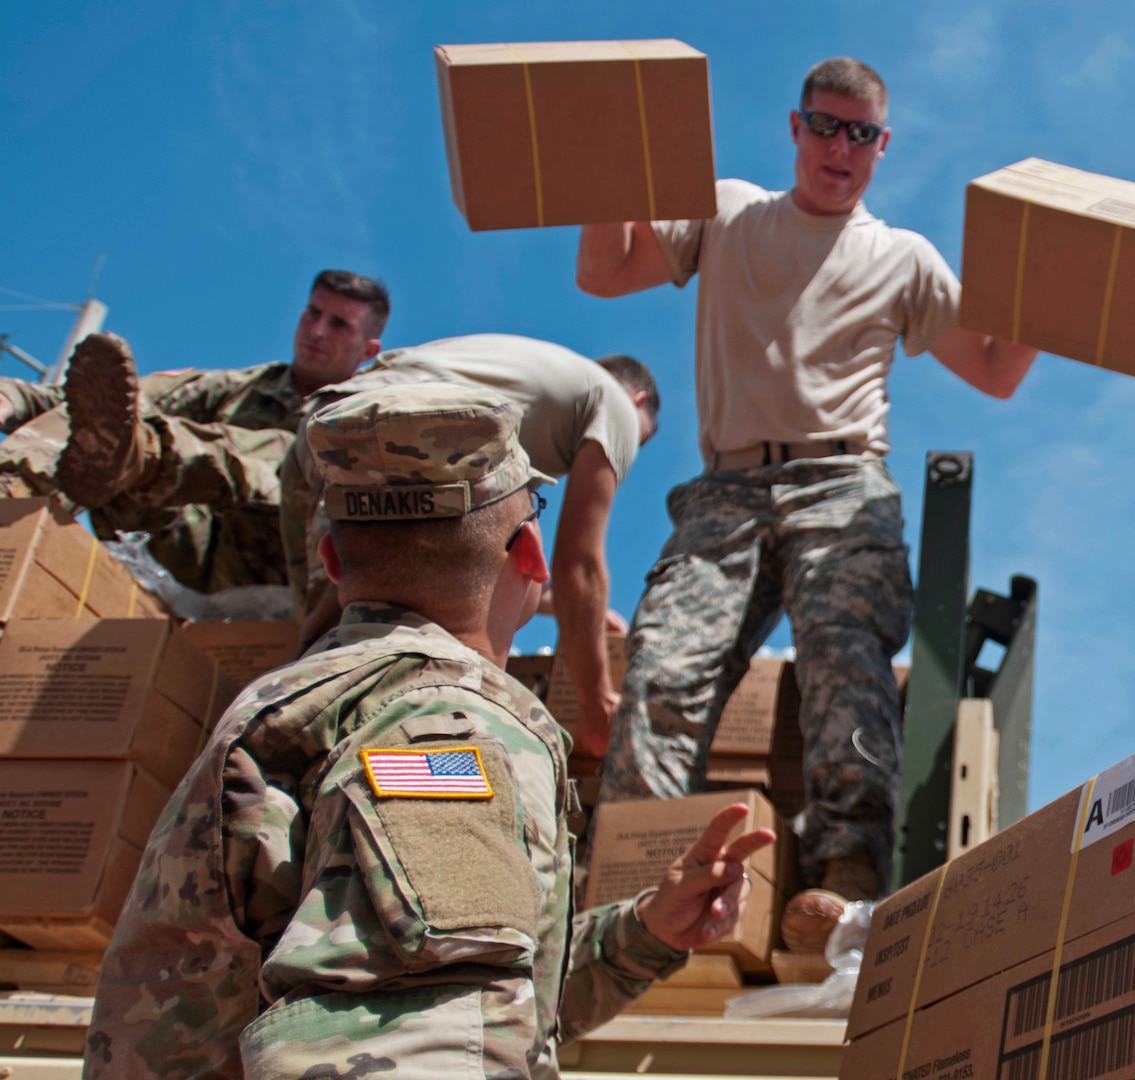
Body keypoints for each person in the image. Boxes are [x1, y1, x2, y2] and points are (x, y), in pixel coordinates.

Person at [85, 384, 772, 1079]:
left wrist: (646, 930)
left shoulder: (287, 701)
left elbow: (472, 1001)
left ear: (330, 561)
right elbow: (414, 1050)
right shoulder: (442, 726)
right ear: (530, 552)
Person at [574, 56, 1038, 927]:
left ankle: (848, 875)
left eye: (860, 133)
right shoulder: (728, 209)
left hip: (843, 484)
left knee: (845, 661)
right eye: (824, 125)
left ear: (883, 146)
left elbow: (994, 369)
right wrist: (611, 170)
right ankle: (634, 896)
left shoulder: (902, 258)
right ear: (795, 128)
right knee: (663, 672)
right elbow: (607, 270)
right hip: (728, 489)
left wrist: (1052, 293)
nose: (839, 146)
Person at [281, 333, 660, 752]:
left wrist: (567, 610)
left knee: (332, 642)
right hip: (391, 438)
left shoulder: (545, 379)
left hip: (328, 426)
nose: (626, 455)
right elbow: (579, 566)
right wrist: (596, 706)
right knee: (377, 662)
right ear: (638, 399)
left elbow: (494, 563)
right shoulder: (617, 406)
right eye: (639, 444)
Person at [0, 270, 389, 593]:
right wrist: (10, 397)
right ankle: (9, 499)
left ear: (368, 350)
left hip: (281, 576)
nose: (317, 331)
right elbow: (89, 403)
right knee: (115, 416)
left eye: (338, 324)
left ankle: (143, 451)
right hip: (185, 552)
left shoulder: (360, 418)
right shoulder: (237, 387)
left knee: (293, 450)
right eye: (312, 313)